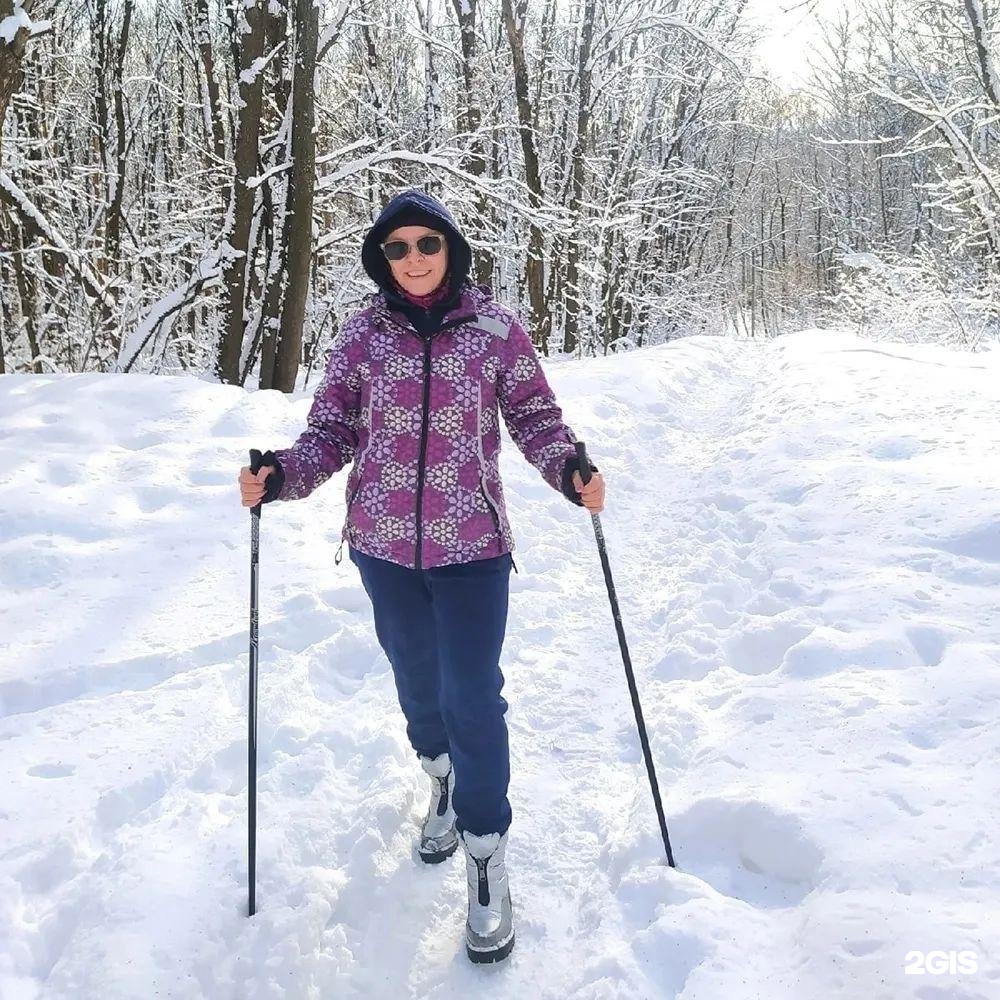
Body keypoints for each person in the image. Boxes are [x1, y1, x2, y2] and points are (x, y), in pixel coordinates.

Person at [238, 188, 605, 964]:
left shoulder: (496, 331)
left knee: (472, 695)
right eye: (397, 247)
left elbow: (535, 418)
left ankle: (484, 849)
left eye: (426, 244)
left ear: (451, 249)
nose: (412, 259)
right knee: (417, 684)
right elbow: (331, 429)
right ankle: (437, 779)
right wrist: (282, 476)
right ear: (382, 258)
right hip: (382, 547)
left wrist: (569, 469)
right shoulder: (363, 337)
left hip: (472, 548)